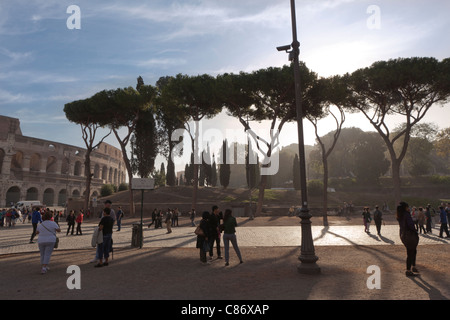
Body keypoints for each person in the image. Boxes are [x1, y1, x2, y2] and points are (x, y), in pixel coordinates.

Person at [397, 201, 419, 277]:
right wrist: (415, 231)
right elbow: (410, 225)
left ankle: (413, 266)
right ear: (405, 207)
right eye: (407, 207)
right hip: (410, 235)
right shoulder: (406, 214)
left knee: (412, 251)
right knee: (411, 252)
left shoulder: (400, 215)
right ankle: (408, 270)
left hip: (403, 235)